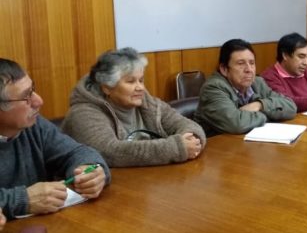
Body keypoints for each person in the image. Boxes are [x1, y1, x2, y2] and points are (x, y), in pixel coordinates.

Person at [0, 58, 109, 220]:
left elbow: (76, 151)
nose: (39, 101)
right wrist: (22, 199)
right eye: (26, 97)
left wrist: (91, 170)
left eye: (33, 90)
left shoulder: (34, 125)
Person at [62, 48, 206, 167]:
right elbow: (109, 152)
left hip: (149, 183)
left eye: (141, 80)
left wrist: (192, 139)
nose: (140, 88)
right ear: (107, 87)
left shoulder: (146, 102)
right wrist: (177, 148)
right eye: (131, 81)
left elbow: (187, 124)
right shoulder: (83, 113)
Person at [195, 39, 297, 135]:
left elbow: (291, 107)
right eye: (241, 63)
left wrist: (259, 105)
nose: (249, 69)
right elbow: (237, 124)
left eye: (252, 63)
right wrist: (269, 114)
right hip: (218, 149)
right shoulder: (213, 88)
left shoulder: (257, 82)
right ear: (224, 69)